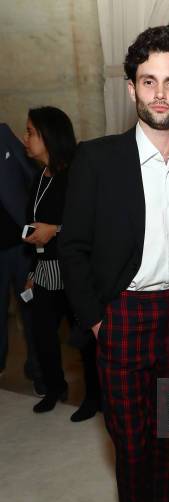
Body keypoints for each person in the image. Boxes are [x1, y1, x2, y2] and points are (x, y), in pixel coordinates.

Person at [59, 26, 169, 502]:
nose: (161, 93)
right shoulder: (98, 160)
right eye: (149, 81)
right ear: (131, 89)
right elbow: (72, 249)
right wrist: (97, 319)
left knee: (167, 433)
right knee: (131, 442)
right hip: (121, 317)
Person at [23, 106, 100, 419]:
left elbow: (93, 225)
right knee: (42, 335)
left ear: (48, 136)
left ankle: (94, 397)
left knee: (85, 341)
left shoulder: (75, 174)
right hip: (44, 269)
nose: (25, 138)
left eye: (30, 132)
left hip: (72, 271)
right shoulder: (39, 175)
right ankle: (55, 388)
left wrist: (54, 230)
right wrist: (31, 269)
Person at [0, 122, 44, 393]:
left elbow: (31, 172)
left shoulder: (2, 133)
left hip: (20, 244)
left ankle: (39, 370)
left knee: (31, 310)